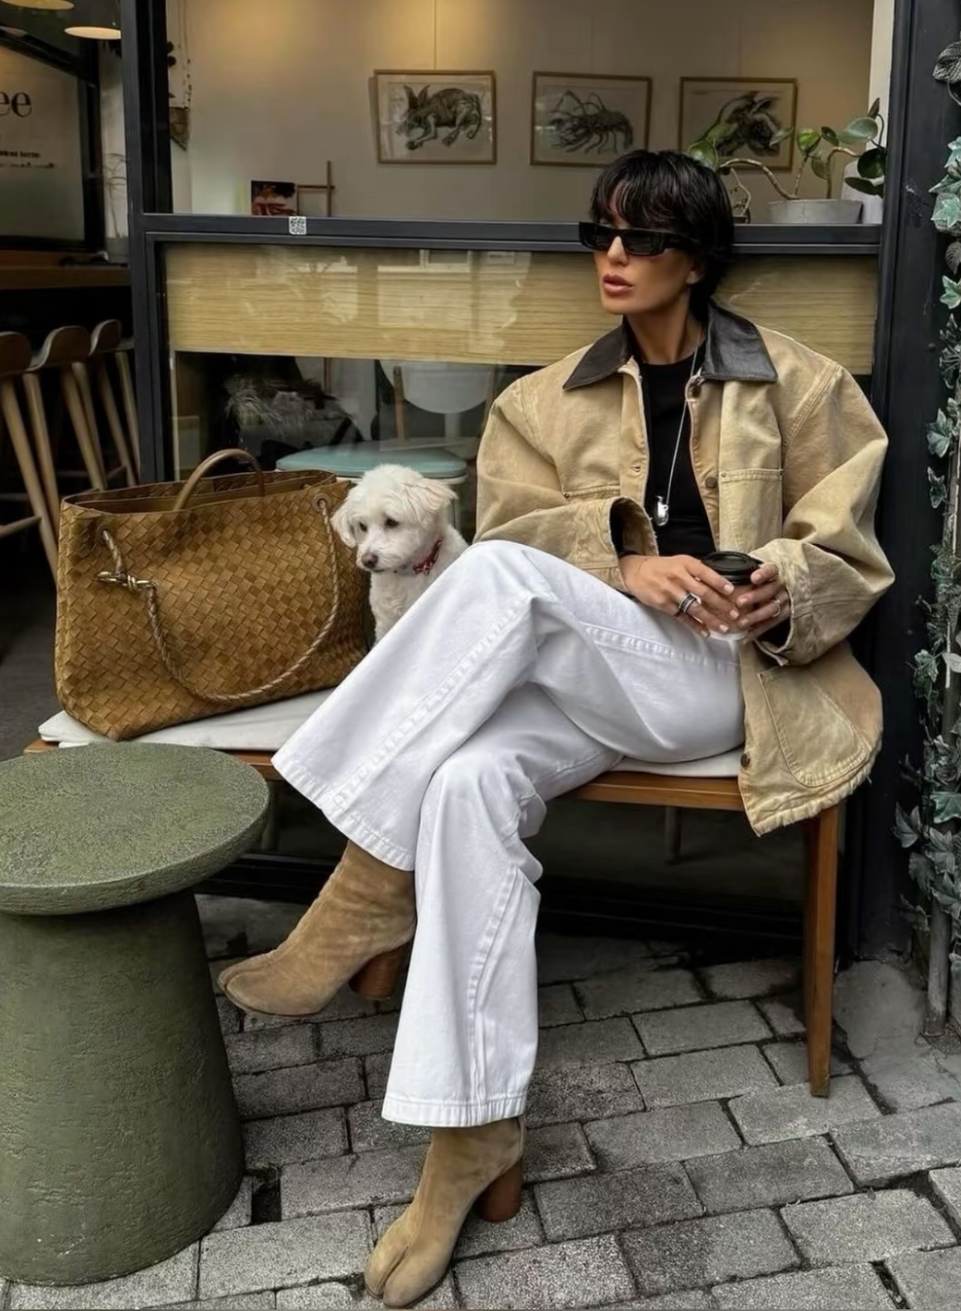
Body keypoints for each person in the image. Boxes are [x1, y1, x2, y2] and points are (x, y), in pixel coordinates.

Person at [219, 150, 893, 1307]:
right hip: (589, 675)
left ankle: (361, 879)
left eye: (640, 238)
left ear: (695, 257)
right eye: (599, 235)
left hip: (721, 678)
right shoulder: (540, 401)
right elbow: (520, 526)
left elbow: (848, 551)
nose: (612, 258)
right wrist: (624, 561)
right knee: (462, 784)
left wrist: (779, 582)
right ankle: (472, 1131)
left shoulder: (799, 382)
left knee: (490, 579)